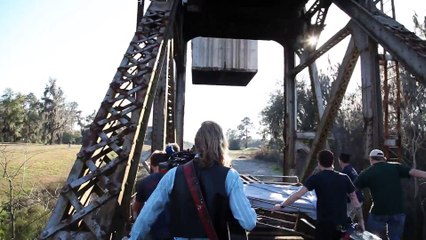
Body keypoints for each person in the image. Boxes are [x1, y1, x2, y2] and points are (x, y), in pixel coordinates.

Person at [129, 121, 257, 240]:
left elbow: (147, 215)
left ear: (196, 144)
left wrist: (133, 238)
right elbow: (248, 223)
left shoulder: (173, 174)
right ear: (222, 144)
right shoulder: (230, 176)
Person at [273, 150, 364, 240]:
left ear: (319, 162)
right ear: (333, 162)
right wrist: (361, 221)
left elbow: (297, 195)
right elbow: (355, 201)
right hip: (341, 225)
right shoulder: (344, 178)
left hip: (324, 225)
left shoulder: (316, 178)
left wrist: (281, 205)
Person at [354, 148, 426, 240]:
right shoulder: (395, 167)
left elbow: (352, 189)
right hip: (398, 211)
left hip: (379, 212)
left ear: (371, 159)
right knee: (395, 237)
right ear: (383, 158)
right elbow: (413, 172)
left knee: (372, 237)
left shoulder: (367, 173)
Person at [132, 150, 171, 240]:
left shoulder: (145, 182)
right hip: (176, 230)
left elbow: (137, 208)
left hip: (155, 231)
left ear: (152, 165)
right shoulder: (176, 178)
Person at [338, 153, 364, 219]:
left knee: (345, 219)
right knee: (350, 219)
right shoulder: (351, 169)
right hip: (359, 198)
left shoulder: (345, 172)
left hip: (352, 201)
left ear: (340, 160)